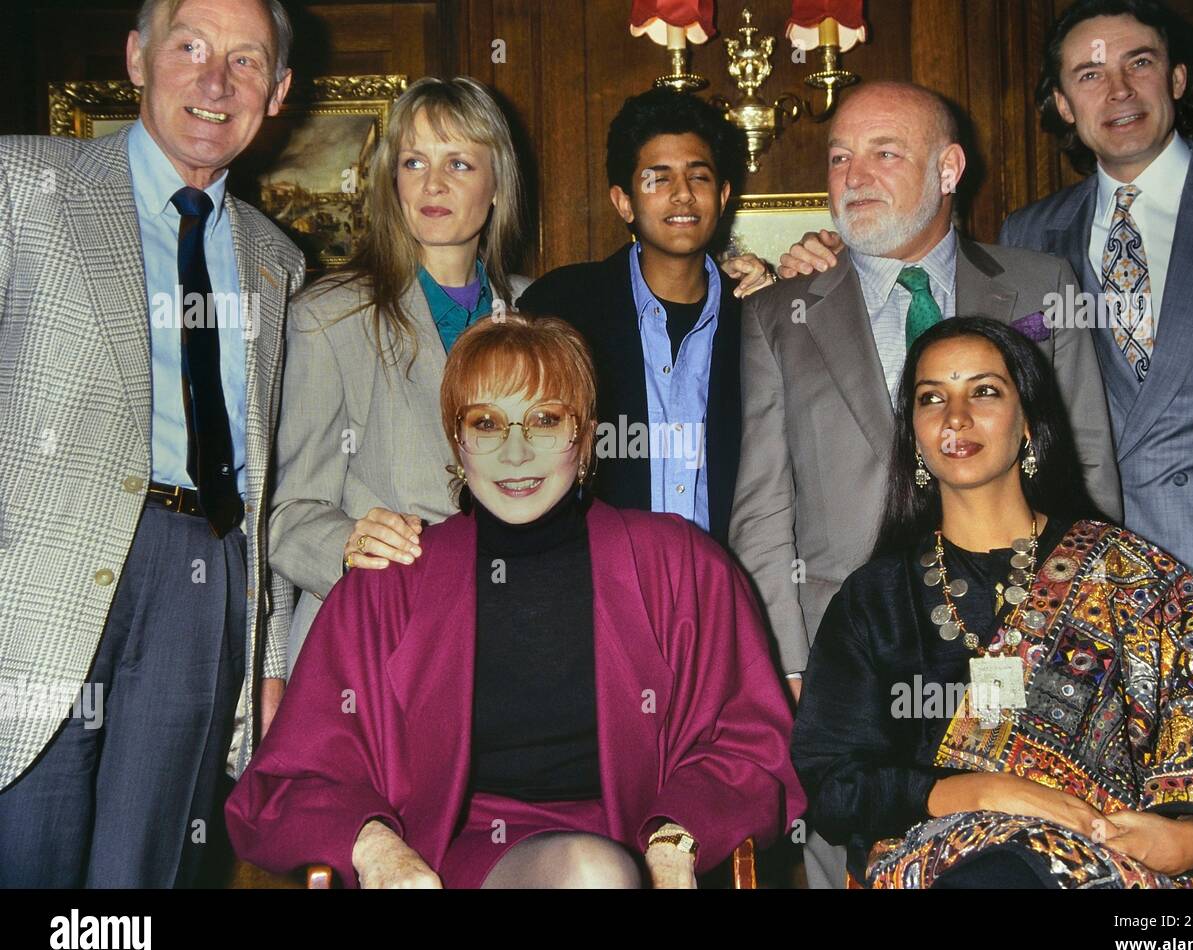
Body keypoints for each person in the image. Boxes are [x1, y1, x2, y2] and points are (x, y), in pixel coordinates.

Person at [226, 312, 805, 888]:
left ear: (586, 435)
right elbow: (290, 782)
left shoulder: (681, 567)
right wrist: (378, 848)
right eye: (487, 424)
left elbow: (752, 749)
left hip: (638, 839)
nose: (516, 453)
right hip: (454, 859)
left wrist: (676, 841)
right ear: (457, 442)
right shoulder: (389, 583)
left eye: (545, 421)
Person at [727, 80, 1120, 888]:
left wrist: (1097, 630)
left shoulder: (1041, 287)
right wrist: (792, 665)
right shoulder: (778, 315)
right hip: (855, 669)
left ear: (949, 168)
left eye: (884, 152)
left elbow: (1085, 469)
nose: (853, 174)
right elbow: (762, 509)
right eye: (839, 157)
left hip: (1030, 636)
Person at [792, 316, 1193, 889]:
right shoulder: (874, 601)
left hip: (1119, 858)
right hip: (950, 862)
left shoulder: (1129, 576)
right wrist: (990, 792)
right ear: (913, 434)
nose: (955, 418)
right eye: (931, 398)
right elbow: (835, 785)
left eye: (984, 391)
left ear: (1029, 423)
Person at [0, 0, 302, 887]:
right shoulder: (20, 185)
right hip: (37, 582)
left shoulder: (278, 262)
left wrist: (269, 655)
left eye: (247, 63)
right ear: (137, 57)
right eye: (190, 47)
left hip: (205, 581)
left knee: (146, 879)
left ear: (278, 93)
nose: (216, 82)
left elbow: (272, 476)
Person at [998, 0, 1193, 643]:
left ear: (1178, 79)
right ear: (1062, 105)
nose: (1119, 90)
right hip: (1102, 582)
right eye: (1089, 74)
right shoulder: (1028, 234)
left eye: (1140, 62)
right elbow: (1016, 379)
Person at [269, 76, 532, 676]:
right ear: (393, 181)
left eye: (459, 163)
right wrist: (348, 541)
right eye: (414, 161)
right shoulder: (326, 316)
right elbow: (287, 513)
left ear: (497, 185)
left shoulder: (538, 311)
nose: (433, 184)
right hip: (376, 639)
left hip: (512, 635)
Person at [519, 89, 774, 547]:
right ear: (624, 202)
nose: (681, 195)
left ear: (723, 195)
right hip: (596, 584)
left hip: (723, 587)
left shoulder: (756, 316)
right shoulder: (562, 306)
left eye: (698, 177)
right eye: (658, 179)